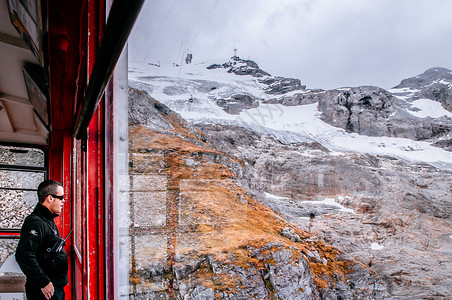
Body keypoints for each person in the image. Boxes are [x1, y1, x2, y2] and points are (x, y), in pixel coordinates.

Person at [15, 180, 68, 300]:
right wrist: (43, 282)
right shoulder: (36, 222)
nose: (63, 201)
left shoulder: (47, 220)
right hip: (45, 290)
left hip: (52, 287)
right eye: (61, 197)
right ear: (50, 198)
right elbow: (24, 255)